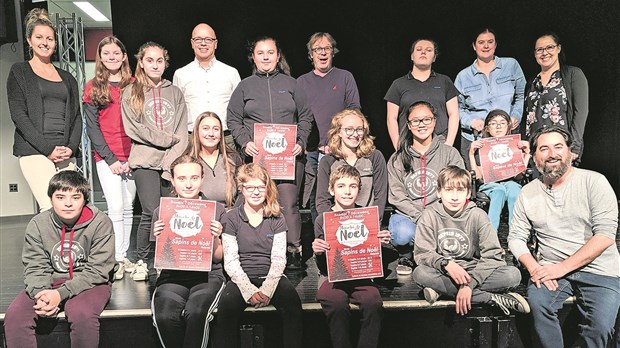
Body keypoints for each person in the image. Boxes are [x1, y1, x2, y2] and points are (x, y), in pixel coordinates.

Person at [508, 126, 619, 348]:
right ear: (534, 155)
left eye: (558, 147)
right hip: (551, 271)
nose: (552, 154)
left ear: (570, 152)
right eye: (544, 148)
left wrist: (562, 268)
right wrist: (534, 268)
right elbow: (516, 238)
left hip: (600, 270)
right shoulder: (527, 193)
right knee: (539, 305)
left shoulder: (594, 182)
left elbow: (605, 236)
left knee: (600, 327)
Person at [227, 36, 313, 269]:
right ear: (253, 57)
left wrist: (300, 141)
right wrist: (245, 143)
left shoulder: (292, 84)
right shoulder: (245, 86)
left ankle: (293, 251)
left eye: (270, 52)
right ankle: (252, 252)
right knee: (252, 203)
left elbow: (305, 116)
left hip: (288, 157)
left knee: (288, 204)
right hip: (257, 159)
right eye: (260, 53)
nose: (266, 57)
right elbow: (233, 119)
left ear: (277, 56)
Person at [3, 170, 115, 347]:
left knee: (81, 314)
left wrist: (60, 294)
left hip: (90, 283)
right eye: (60, 197)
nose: (68, 204)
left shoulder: (101, 222)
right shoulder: (38, 224)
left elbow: (98, 270)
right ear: (51, 198)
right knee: (15, 318)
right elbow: (35, 265)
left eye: (75, 197)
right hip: (50, 282)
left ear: (84, 199)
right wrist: (42, 294)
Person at [413, 166, 530, 316]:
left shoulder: (478, 215)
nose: (454, 197)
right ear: (439, 192)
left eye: (460, 190)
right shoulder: (429, 215)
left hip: (474, 273)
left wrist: (469, 284)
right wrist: (445, 263)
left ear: (468, 193)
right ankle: (490, 298)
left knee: (513, 275)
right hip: (444, 272)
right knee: (421, 273)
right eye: (449, 190)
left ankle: (442, 291)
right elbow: (423, 254)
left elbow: (493, 256)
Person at [214, 163, 303, 348]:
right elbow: (230, 261)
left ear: (267, 188)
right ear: (242, 189)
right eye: (250, 188)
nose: (256, 192)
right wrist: (250, 290)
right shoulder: (231, 218)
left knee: (293, 306)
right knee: (226, 309)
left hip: (272, 276)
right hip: (241, 278)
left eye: (261, 187)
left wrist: (266, 290)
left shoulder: (277, 217)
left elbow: (279, 259)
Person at [122, 41, 188, 281]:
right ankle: (143, 260)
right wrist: (165, 139)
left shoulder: (175, 92)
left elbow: (182, 134)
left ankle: (166, 260)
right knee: (150, 211)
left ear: (165, 63)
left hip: (170, 163)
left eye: (159, 60)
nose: (155, 64)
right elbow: (134, 129)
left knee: (169, 213)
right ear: (141, 62)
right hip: (144, 161)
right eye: (150, 60)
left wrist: (170, 162)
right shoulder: (131, 92)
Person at [7, 8, 81, 212]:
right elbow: (18, 115)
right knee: (50, 208)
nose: (45, 42)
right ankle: (49, 246)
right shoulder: (19, 71)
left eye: (50, 38)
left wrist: (71, 147)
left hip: (65, 153)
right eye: (39, 37)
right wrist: (48, 149)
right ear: (29, 40)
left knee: (71, 209)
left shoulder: (68, 77)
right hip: (35, 151)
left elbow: (76, 117)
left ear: (55, 42)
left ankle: (67, 246)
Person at [151, 155, 226, 348]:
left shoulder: (218, 210)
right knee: (163, 315)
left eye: (194, 178)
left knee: (197, 312)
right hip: (173, 276)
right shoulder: (162, 212)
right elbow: (160, 258)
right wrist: (160, 237)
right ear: (173, 181)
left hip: (208, 276)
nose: (189, 184)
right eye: (182, 179)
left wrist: (216, 236)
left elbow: (219, 257)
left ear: (202, 179)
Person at [312, 164, 391, 348]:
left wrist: (381, 243)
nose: (347, 192)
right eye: (341, 186)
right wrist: (318, 251)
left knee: (374, 302)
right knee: (336, 302)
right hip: (331, 277)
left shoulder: (368, 216)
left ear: (359, 189)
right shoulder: (322, 219)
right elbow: (324, 267)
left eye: (352, 186)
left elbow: (370, 256)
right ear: (331, 189)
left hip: (360, 275)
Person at [387, 101, 464, 275]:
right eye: (416, 121)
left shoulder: (449, 154)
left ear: (435, 121)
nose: (422, 125)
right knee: (402, 233)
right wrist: (419, 215)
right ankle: (407, 255)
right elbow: (396, 195)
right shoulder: (397, 158)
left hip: (440, 215)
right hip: (409, 216)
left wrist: (434, 215)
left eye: (427, 119)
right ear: (408, 125)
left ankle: (430, 257)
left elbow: (457, 187)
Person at [83, 36, 136, 280]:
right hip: (107, 157)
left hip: (133, 155)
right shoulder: (93, 86)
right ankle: (115, 258)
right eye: (106, 54)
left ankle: (124, 256)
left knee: (128, 207)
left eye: (116, 53)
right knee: (115, 207)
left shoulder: (135, 83)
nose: (112, 57)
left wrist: (131, 158)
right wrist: (111, 159)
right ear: (100, 58)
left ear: (124, 56)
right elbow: (92, 128)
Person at [297, 32, 361, 223]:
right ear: (311, 54)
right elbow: (296, 116)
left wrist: (338, 143)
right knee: (315, 197)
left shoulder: (345, 77)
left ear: (333, 52)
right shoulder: (301, 82)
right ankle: (320, 242)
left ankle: (342, 242)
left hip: (338, 150)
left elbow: (354, 111)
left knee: (341, 194)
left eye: (327, 48)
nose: (322, 53)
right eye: (317, 49)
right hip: (310, 151)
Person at [455, 28, 526, 169]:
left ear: (496, 44)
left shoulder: (511, 65)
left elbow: (521, 95)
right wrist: (470, 122)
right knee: (479, 185)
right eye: (481, 42)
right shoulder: (463, 76)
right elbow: (456, 107)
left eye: (490, 42)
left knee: (510, 180)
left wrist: (515, 116)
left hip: (507, 137)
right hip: (476, 140)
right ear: (474, 46)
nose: (486, 46)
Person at [523, 32, 588, 166]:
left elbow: (580, 112)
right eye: (539, 49)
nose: (544, 53)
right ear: (535, 54)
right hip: (536, 152)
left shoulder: (573, 74)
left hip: (561, 150)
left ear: (558, 48)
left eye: (549, 47)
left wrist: (574, 146)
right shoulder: (532, 82)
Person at [173, 23, 241, 149]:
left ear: (215, 43)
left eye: (208, 40)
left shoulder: (231, 72)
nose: (203, 43)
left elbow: (239, 110)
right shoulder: (180, 74)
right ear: (192, 43)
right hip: (191, 138)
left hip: (225, 139)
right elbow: (177, 110)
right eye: (198, 39)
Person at [385, 38, 460, 150]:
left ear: (434, 57)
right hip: (408, 144)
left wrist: (448, 145)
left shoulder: (444, 81)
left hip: (440, 142)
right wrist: (398, 148)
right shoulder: (398, 84)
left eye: (429, 50)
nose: (423, 52)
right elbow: (391, 118)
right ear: (412, 56)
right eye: (419, 49)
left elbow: (454, 114)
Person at [315, 109, 387, 222]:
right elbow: (322, 200)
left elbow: (380, 196)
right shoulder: (328, 161)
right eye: (349, 129)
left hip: (367, 221)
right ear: (338, 131)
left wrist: (372, 222)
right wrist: (332, 224)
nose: (355, 134)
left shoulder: (375, 157)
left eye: (359, 129)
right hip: (337, 222)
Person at [468, 109, 530, 231]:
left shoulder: (515, 146)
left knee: (514, 189)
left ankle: (515, 232)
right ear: (487, 128)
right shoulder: (482, 148)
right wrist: (471, 154)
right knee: (499, 190)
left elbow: (518, 177)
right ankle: (491, 234)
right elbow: (479, 176)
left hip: (510, 181)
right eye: (493, 123)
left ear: (508, 127)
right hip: (489, 184)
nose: (498, 126)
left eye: (502, 123)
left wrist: (526, 155)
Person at [186, 111, 242, 209]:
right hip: (198, 215)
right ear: (197, 132)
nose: (211, 134)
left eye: (216, 129)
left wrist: (233, 214)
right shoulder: (187, 162)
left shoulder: (233, 158)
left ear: (221, 134)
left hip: (228, 217)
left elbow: (243, 191)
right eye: (205, 128)